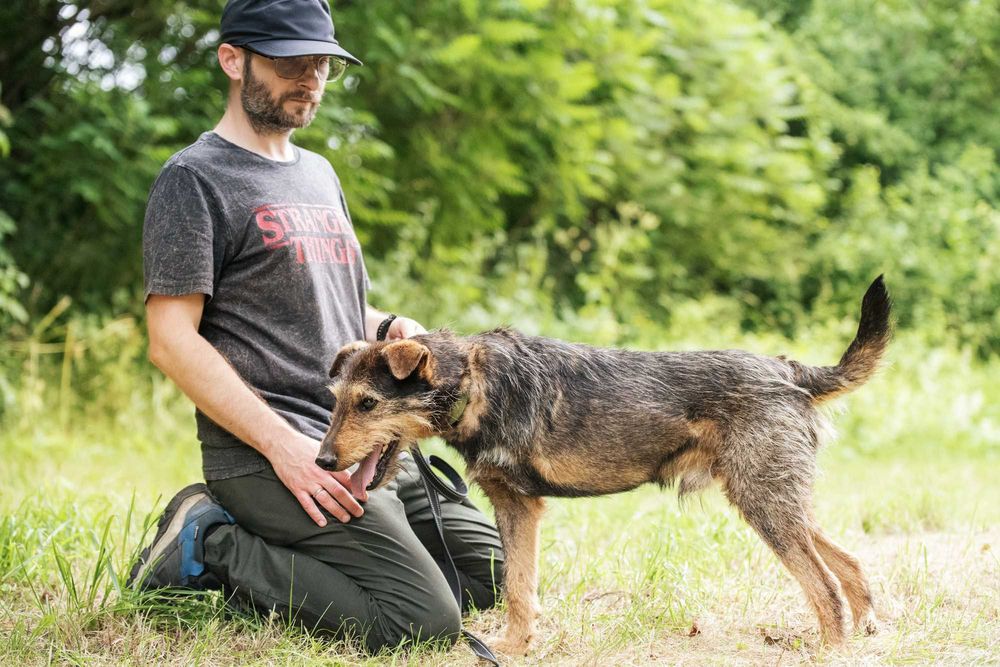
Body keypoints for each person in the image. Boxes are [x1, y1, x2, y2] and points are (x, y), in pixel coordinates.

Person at [128, 0, 504, 653]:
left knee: (490, 574)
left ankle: (337, 554)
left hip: (361, 441)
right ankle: (209, 539)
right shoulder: (193, 179)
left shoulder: (319, 174)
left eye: (321, 63)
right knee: (422, 623)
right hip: (269, 455)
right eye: (288, 62)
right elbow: (171, 339)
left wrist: (390, 327)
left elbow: (326, 302)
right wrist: (280, 446)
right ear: (232, 59)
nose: (309, 77)